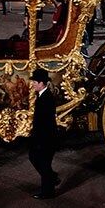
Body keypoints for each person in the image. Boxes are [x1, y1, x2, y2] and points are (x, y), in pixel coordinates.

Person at [28, 68, 60, 199]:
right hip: (44, 136)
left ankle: (48, 191)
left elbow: (45, 122)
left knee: (43, 162)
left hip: (46, 137)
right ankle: (52, 178)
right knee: (36, 158)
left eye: (35, 82)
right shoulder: (43, 96)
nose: (33, 84)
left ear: (41, 83)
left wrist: (39, 138)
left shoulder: (46, 98)